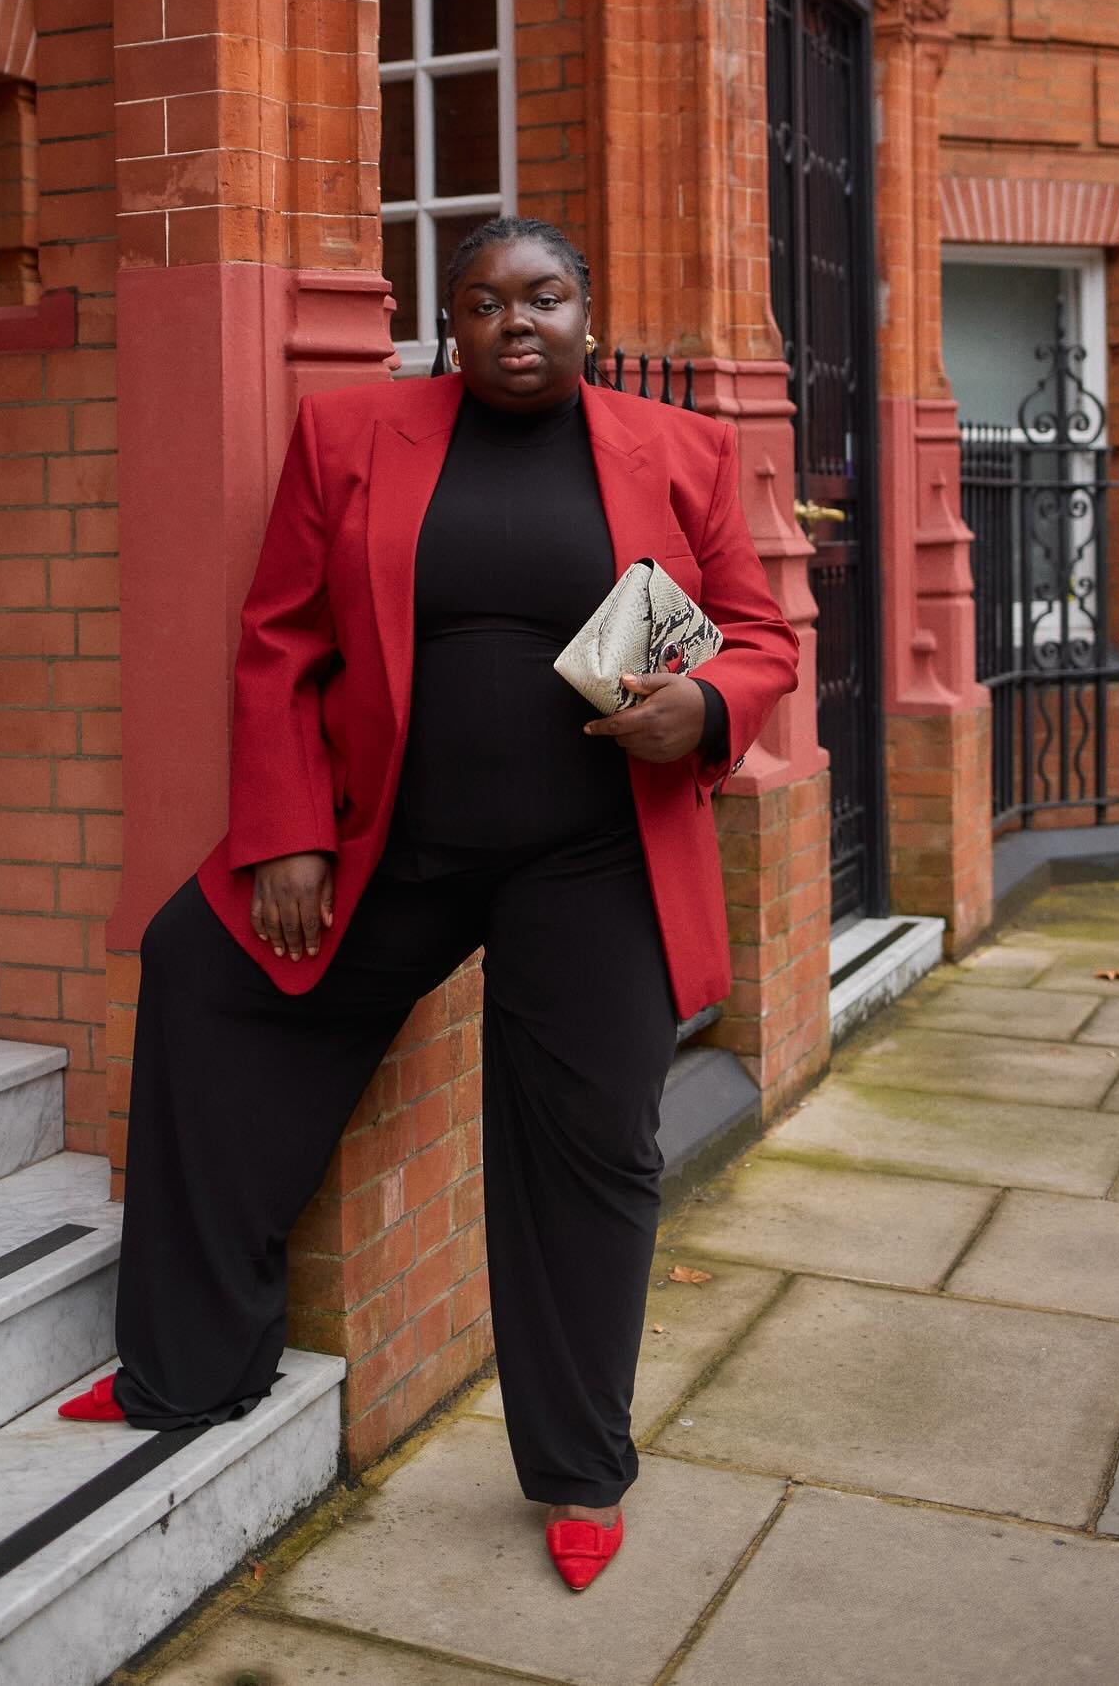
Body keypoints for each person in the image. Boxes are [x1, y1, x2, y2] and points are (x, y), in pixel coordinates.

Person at [59, 216, 800, 1593]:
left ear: (588, 310)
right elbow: (280, 636)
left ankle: (582, 1469)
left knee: (590, 1150)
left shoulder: (675, 451)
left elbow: (758, 636)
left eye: (545, 297)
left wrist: (701, 706)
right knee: (200, 964)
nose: (516, 323)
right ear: (446, 326)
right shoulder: (352, 436)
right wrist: (283, 836)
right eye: (482, 304)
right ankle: (187, 1365)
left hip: (594, 859)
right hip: (389, 842)